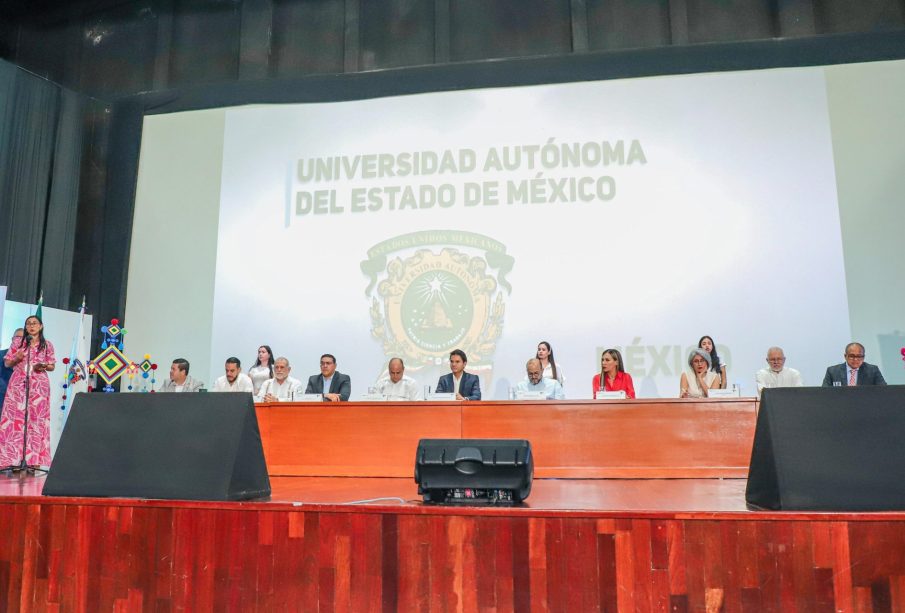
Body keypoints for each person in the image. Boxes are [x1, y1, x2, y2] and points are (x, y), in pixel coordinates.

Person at [0, 316, 55, 470]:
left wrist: (43, 366)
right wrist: (16, 358)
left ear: (41, 326)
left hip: (39, 386)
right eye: (28, 323)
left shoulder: (47, 345)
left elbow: (52, 366)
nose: (31, 326)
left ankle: (33, 462)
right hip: (18, 384)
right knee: (14, 420)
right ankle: (14, 461)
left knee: (36, 422)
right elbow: (7, 363)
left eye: (34, 323)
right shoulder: (18, 343)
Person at [822, 342, 887, 386]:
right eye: (852, 356)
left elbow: (884, 390)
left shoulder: (872, 370)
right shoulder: (832, 371)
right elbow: (824, 393)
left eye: (859, 356)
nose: (855, 359)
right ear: (845, 356)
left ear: (863, 357)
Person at [0, 328, 24, 404]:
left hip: (20, 397)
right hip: (3, 396)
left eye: (22, 338)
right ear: (12, 339)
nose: (19, 340)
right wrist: (7, 389)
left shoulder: (28, 357)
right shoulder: (1, 354)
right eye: (17, 337)